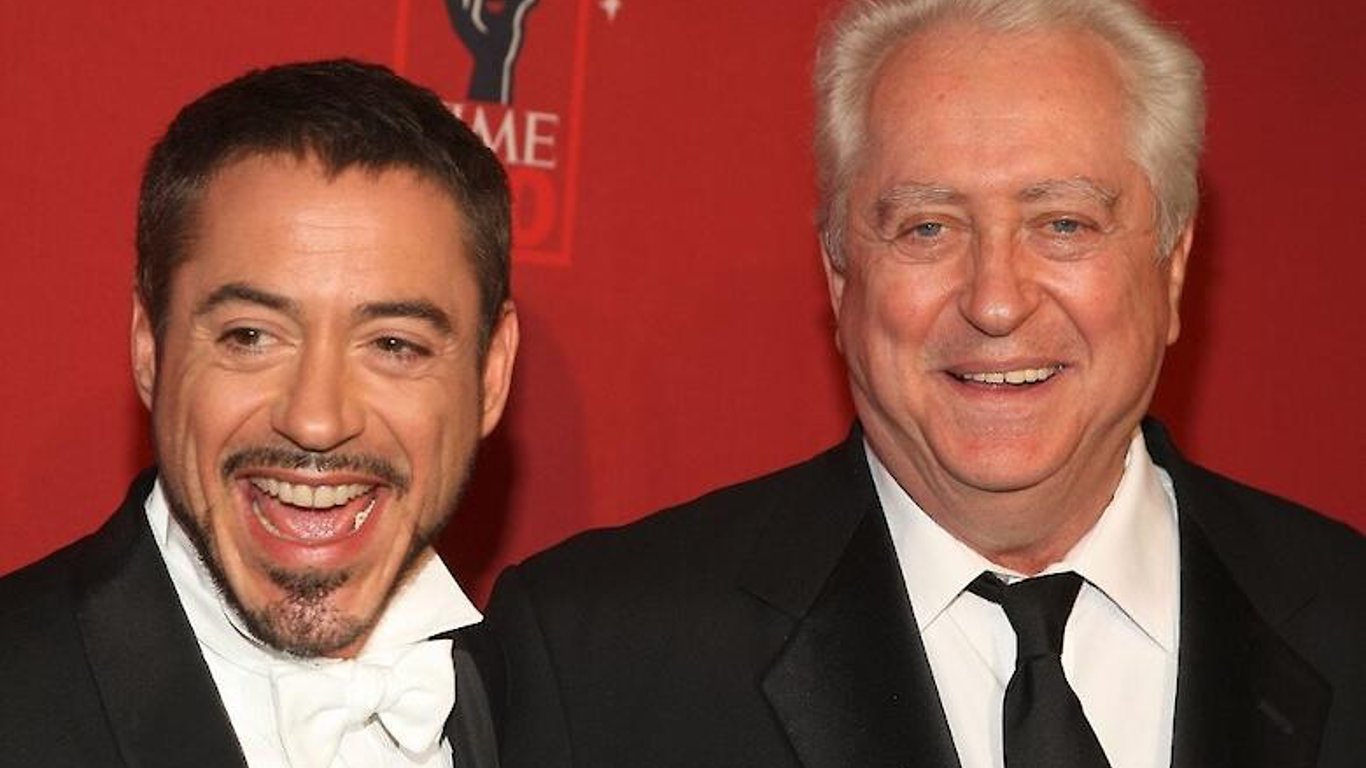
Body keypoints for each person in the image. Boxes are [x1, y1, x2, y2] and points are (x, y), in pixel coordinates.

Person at [478, 1, 1365, 767]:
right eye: (928, 229)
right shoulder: (598, 658)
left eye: (1063, 224)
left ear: (1171, 269)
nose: (995, 301)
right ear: (839, 278)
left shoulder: (1350, 619)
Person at [0, 59, 518, 768]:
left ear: (491, 374)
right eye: (251, 336)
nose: (316, 419)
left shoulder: (549, 705)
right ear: (150, 346)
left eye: (394, 345)